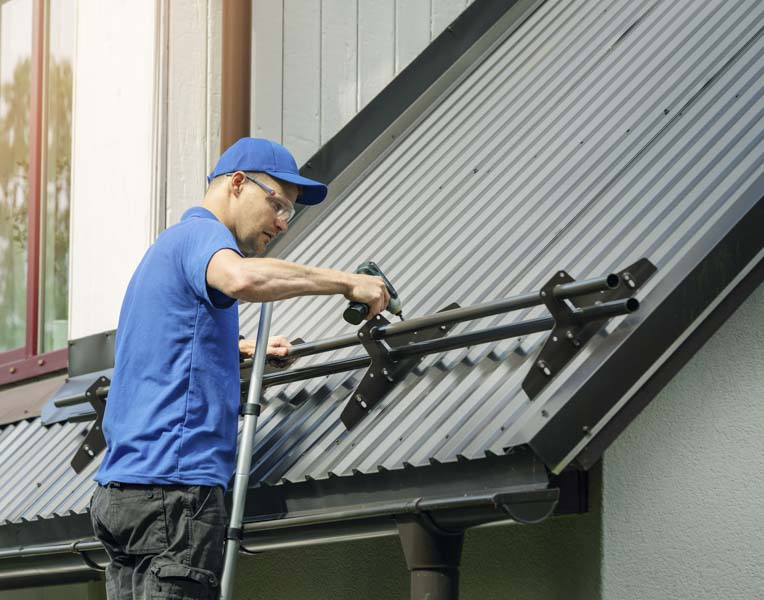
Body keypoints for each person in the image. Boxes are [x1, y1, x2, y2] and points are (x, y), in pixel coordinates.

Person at [89, 137, 390, 599]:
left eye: (290, 212)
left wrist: (240, 349)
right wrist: (348, 282)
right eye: (277, 204)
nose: (283, 222)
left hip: (122, 495)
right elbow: (243, 278)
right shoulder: (203, 235)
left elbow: (164, 347)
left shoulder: (163, 252)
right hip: (173, 492)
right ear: (236, 183)